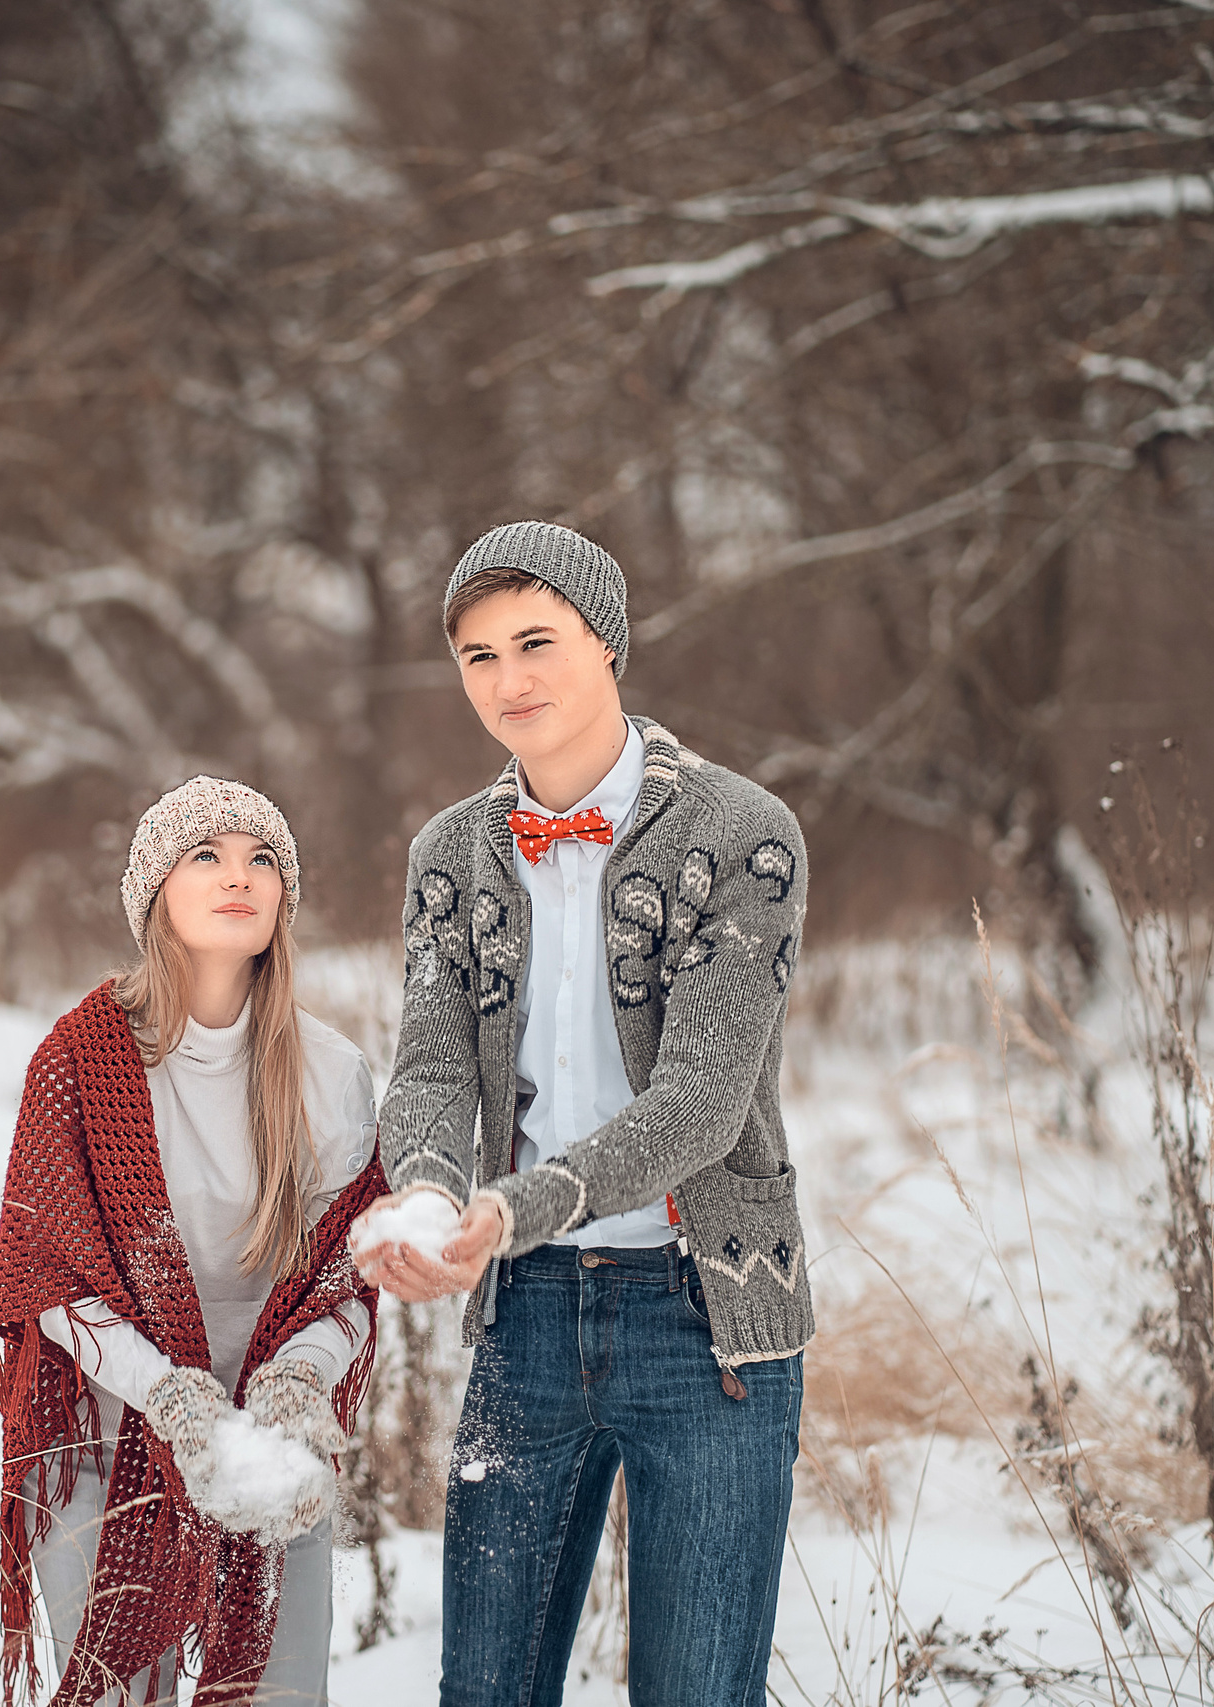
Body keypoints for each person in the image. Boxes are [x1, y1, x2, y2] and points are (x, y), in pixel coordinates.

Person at [353, 521, 813, 1706]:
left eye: (535, 642)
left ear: (607, 642)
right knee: (486, 1689)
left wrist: (516, 1204)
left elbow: (701, 1103)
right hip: (527, 1321)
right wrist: (424, 1191)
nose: (507, 681)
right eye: (476, 656)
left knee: (696, 1693)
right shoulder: (449, 852)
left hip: (707, 1317)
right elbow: (431, 1070)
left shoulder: (742, 833)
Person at [0, 776, 387, 1707]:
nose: (236, 876)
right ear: (155, 889)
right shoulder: (80, 1062)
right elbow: (49, 1282)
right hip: (109, 1432)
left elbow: (350, 1283)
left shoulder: (331, 1072)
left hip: (270, 1435)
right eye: (205, 855)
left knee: (284, 1696)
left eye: (261, 860)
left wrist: (296, 1381)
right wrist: (168, 1395)